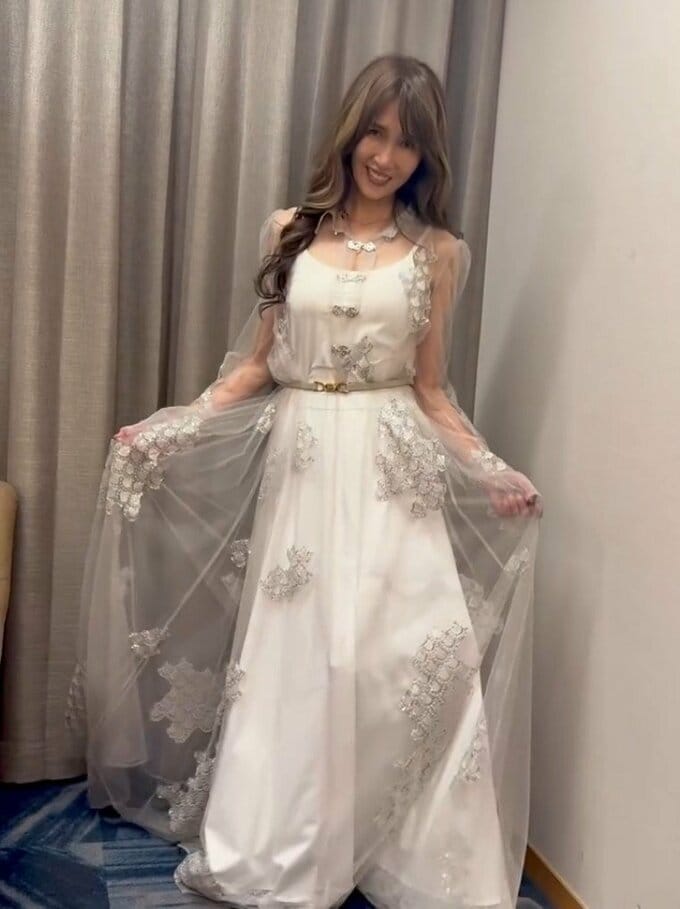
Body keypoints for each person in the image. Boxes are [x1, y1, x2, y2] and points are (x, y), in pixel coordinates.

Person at [66, 53, 544, 908]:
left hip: (392, 469)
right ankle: (289, 844)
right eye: (375, 132)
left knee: (403, 655)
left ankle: (406, 850)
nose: (385, 156)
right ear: (351, 131)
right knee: (303, 657)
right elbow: (257, 365)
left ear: (425, 157)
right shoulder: (289, 230)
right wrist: (177, 423)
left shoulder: (439, 253)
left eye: (407, 142)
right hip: (306, 460)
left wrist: (490, 466)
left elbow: (432, 389)